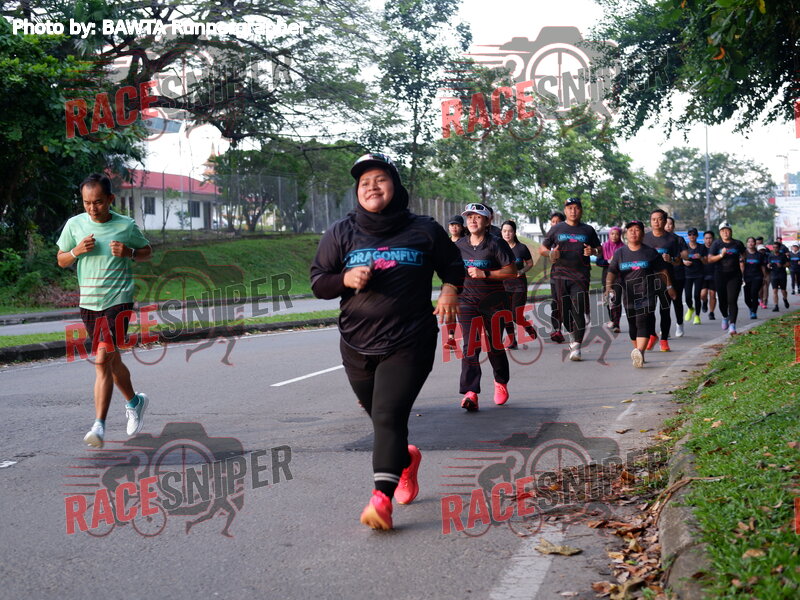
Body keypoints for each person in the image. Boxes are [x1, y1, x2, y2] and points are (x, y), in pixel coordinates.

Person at [310, 152, 464, 530]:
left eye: (380, 179)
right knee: (383, 420)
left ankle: (381, 500)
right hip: (356, 343)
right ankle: (405, 461)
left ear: (395, 185)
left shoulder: (424, 229)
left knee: (386, 415)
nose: (372, 187)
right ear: (357, 191)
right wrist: (344, 279)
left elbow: (453, 265)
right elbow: (319, 282)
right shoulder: (341, 232)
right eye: (364, 182)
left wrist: (449, 291)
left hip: (410, 339)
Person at [56, 173, 153, 448]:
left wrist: (129, 253)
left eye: (98, 202)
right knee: (111, 359)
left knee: (101, 360)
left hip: (118, 301)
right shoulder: (74, 225)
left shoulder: (125, 225)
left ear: (110, 199)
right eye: (87, 202)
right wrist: (76, 251)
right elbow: (61, 260)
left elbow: (147, 251)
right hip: (89, 303)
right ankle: (135, 402)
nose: (92, 208)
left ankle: (98, 425)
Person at [455, 203, 517, 411]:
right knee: (470, 345)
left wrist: (486, 274)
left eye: (478, 217)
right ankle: (470, 392)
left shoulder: (496, 244)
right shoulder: (459, 245)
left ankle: (500, 381)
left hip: (494, 303)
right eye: (469, 217)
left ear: (488, 220)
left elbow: (511, 271)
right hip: (467, 302)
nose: (472, 220)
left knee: (494, 345)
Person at [606, 220, 675, 368]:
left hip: (647, 294)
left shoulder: (650, 252)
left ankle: (640, 351)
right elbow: (612, 271)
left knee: (642, 322)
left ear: (642, 234)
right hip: (628, 295)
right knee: (632, 326)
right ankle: (638, 352)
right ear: (626, 234)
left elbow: (663, 271)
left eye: (637, 230)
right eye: (630, 230)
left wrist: (669, 287)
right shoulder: (620, 253)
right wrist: (608, 287)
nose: (633, 233)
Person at [539, 197, 601, 361]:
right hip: (559, 275)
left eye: (576, 208)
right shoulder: (557, 229)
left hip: (580, 276)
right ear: (565, 210)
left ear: (581, 210)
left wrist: (593, 251)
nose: (573, 211)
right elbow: (542, 248)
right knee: (563, 310)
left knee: (578, 308)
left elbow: (599, 249)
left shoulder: (588, 230)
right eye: (570, 208)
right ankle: (573, 333)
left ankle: (577, 346)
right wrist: (551, 253)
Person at [643, 209, 687, 352]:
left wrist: (671, 259)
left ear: (664, 220)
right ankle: (652, 335)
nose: (656, 222)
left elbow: (679, 261)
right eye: (653, 219)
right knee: (648, 311)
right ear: (650, 222)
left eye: (659, 219)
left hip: (666, 279)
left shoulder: (672, 239)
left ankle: (664, 340)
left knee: (664, 310)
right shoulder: (644, 238)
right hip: (648, 279)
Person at [500, 220, 537, 348]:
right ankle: (512, 341)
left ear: (514, 232)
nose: (507, 234)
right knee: (506, 314)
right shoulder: (498, 248)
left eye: (510, 231)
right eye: (504, 231)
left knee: (516, 315)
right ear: (501, 232)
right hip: (503, 286)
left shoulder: (521, 248)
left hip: (519, 286)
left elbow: (530, 263)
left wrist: (521, 271)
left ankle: (527, 326)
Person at [707, 222, 745, 335]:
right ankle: (725, 316)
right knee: (722, 300)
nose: (725, 232)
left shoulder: (737, 243)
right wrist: (721, 255)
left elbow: (744, 254)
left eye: (727, 230)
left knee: (732, 300)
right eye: (723, 231)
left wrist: (742, 261)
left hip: (734, 275)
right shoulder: (716, 244)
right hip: (720, 275)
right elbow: (710, 259)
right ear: (720, 233)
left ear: (731, 232)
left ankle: (732, 325)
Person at [595, 226, 624, 332]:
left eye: (617, 234)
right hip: (606, 276)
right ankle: (612, 319)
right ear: (609, 235)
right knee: (608, 299)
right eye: (612, 234)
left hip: (619, 277)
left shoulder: (623, 248)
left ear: (620, 235)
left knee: (616, 299)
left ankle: (616, 324)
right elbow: (598, 262)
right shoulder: (604, 247)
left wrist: (618, 263)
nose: (614, 236)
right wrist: (608, 261)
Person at [665, 216, 688, 338]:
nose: (668, 226)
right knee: (665, 303)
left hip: (677, 274)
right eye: (666, 224)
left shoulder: (679, 239)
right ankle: (665, 329)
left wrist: (677, 257)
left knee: (677, 301)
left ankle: (679, 324)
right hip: (663, 275)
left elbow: (685, 254)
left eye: (670, 224)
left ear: (673, 226)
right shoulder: (658, 240)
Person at [546, 211, 566, 342]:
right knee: (555, 303)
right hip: (555, 276)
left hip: (569, 276)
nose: (555, 224)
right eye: (553, 222)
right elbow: (543, 251)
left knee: (566, 303)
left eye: (558, 222)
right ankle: (557, 330)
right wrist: (551, 253)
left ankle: (572, 326)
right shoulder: (550, 240)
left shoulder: (569, 238)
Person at [682, 228, 707, 325]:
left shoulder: (701, 247)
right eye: (690, 234)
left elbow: (706, 262)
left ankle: (697, 316)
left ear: (697, 236)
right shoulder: (685, 247)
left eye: (694, 234)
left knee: (697, 295)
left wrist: (700, 257)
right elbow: (679, 259)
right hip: (687, 274)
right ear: (688, 236)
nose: (692, 236)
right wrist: (684, 262)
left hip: (699, 274)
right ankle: (691, 308)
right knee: (687, 296)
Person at [742, 236, 767, 319]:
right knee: (747, 299)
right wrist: (741, 277)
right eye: (749, 242)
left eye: (752, 242)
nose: (751, 243)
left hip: (757, 277)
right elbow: (741, 266)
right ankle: (751, 307)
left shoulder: (759, 255)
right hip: (746, 277)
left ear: (755, 244)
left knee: (754, 293)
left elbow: (763, 267)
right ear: (746, 243)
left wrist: (764, 277)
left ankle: (754, 312)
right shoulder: (744, 254)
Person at [767, 241, 790, 311]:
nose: (775, 249)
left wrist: (782, 265)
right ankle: (776, 306)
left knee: (783, 291)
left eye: (776, 247)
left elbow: (788, 264)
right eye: (773, 247)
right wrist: (768, 265)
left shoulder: (783, 255)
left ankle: (785, 299)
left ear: (779, 248)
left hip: (782, 274)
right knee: (775, 290)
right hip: (774, 274)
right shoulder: (770, 255)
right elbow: (768, 264)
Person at [701, 231, 718, 319]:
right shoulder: (701, 248)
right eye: (706, 238)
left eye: (710, 238)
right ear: (704, 239)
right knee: (703, 294)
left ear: (713, 239)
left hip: (714, 274)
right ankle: (704, 302)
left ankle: (711, 312)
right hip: (702, 274)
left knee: (712, 294)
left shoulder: (716, 248)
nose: (708, 240)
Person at [756, 239, 770, 308]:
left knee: (765, 288)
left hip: (767, 273)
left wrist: (770, 264)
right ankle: (760, 300)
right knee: (759, 289)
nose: (762, 251)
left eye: (763, 250)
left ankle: (765, 302)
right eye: (760, 250)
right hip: (758, 274)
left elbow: (771, 262)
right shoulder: (756, 256)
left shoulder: (768, 256)